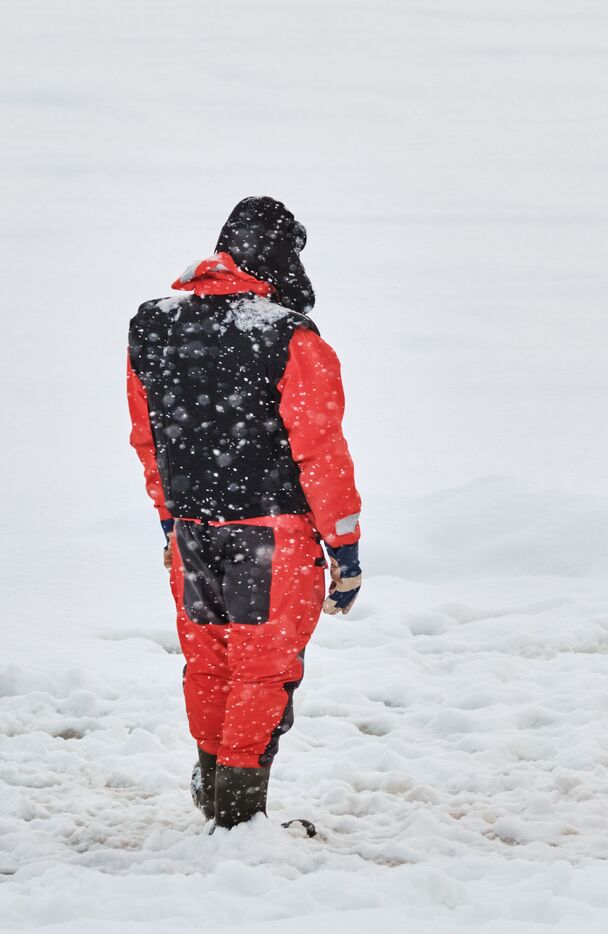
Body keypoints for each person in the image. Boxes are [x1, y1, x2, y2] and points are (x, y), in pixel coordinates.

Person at [126, 196, 363, 829]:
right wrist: (344, 548)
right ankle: (237, 821)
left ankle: (214, 798)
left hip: (190, 530)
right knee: (263, 672)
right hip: (272, 534)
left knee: (209, 662)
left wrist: (169, 520)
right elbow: (322, 453)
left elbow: (149, 436)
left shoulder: (152, 325)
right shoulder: (288, 336)